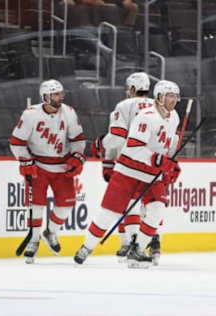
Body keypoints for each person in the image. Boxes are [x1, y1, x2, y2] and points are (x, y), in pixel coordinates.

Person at [74, 80, 181, 269]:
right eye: (169, 96)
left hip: (150, 174)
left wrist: (171, 166)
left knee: (157, 209)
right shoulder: (146, 117)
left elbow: (168, 149)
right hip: (128, 170)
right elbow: (134, 148)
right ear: (159, 96)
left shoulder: (174, 118)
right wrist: (158, 160)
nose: (173, 100)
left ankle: (137, 249)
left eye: (175, 96)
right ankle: (86, 246)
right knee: (108, 213)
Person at [9, 79, 86, 264]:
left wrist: (77, 156)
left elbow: (78, 138)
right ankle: (34, 241)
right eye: (56, 94)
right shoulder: (31, 115)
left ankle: (50, 231)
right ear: (45, 97)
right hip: (39, 166)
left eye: (61, 93)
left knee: (66, 205)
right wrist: (26, 161)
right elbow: (16, 142)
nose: (60, 97)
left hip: (62, 167)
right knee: (36, 205)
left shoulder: (68, 112)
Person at [90, 72, 157, 263]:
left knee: (125, 203)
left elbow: (116, 140)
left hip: (128, 163)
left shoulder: (124, 106)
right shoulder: (158, 107)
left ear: (133, 89)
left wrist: (102, 148)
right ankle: (149, 242)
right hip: (153, 163)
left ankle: (129, 242)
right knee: (150, 205)